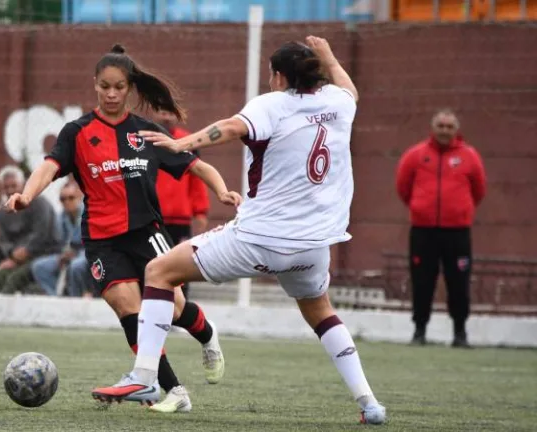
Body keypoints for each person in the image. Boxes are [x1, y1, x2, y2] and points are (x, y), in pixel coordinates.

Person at [91, 36, 387, 425]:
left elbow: (230, 128)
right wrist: (330, 56)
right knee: (321, 313)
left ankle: (145, 377)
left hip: (259, 239)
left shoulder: (272, 105)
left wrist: (183, 146)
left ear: (279, 76)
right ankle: (369, 403)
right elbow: (349, 88)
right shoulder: (338, 102)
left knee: (159, 272)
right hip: (315, 246)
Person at [6, 44, 241, 413]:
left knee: (175, 308)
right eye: (104, 87)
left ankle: (208, 336)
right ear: (95, 85)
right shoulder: (78, 132)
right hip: (102, 239)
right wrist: (26, 193)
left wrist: (223, 190)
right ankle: (172, 390)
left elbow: (198, 167)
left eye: (119, 87)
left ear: (130, 88)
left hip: (147, 232)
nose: (112, 94)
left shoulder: (147, 133)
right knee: (127, 307)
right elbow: (49, 168)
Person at [396, 109, 486, 348]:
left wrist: (459, 212)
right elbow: (403, 187)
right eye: (441, 126)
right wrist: (419, 208)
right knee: (422, 281)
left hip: (457, 232)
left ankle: (460, 333)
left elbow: (479, 190)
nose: (444, 131)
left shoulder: (469, 157)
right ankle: (419, 330)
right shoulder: (415, 155)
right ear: (433, 128)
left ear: (456, 129)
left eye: (449, 126)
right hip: (423, 231)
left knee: (459, 282)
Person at [151, 109, 210, 299]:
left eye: (170, 113)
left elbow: (197, 178)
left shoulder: (188, 142)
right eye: (162, 112)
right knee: (151, 265)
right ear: (152, 113)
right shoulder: (143, 141)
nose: (166, 116)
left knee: (182, 267)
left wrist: (200, 211)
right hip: (152, 217)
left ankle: (182, 310)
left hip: (179, 219)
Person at [0, 165, 60, 295]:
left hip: (44, 255)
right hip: (17, 259)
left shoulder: (40, 203)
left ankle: (3, 309)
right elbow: (4, 240)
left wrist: (27, 250)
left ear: (23, 185)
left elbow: (43, 234)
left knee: (14, 278)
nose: (10, 190)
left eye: (14, 186)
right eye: (6, 187)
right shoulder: (4, 212)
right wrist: (13, 255)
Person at [31, 182, 92, 297]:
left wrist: (73, 251)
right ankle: (57, 297)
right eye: (63, 199)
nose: (67, 202)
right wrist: (63, 255)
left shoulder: (89, 211)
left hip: (88, 251)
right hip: (67, 253)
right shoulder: (61, 217)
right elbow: (60, 242)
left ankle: (76, 298)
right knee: (39, 267)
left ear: (80, 196)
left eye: (71, 198)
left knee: (76, 265)